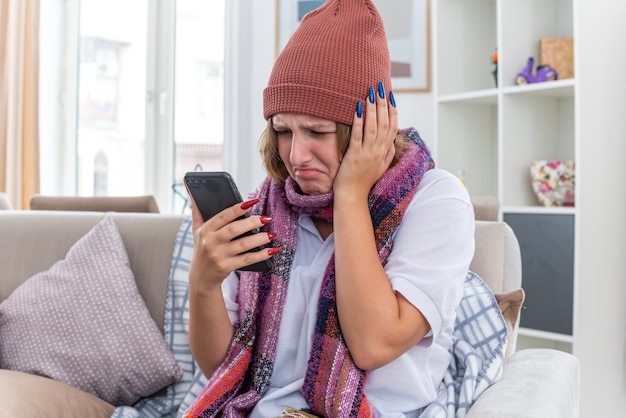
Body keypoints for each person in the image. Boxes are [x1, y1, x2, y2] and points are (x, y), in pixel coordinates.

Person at [184, 0, 474, 416]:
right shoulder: (266, 205)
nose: (296, 155)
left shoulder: (436, 200)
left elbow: (373, 344)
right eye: (283, 130)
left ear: (370, 128)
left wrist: (351, 195)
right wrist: (204, 282)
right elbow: (223, 370)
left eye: (317, 131)